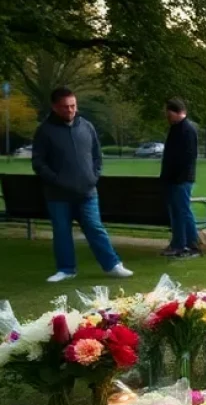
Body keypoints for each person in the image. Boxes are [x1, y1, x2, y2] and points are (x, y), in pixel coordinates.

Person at [31, 87, 132, 284]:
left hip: (87, 191)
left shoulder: (86, 126)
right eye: (65, 107)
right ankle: (66, 269)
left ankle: (112, 265)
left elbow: (97, 156)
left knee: (95, 227)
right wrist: (56, 179)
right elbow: (38, 163)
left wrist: (93, 177)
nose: (70, 110)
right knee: (61, 231)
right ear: (54, 107)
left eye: (73, 106)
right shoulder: (45, 131)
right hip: (57, 194)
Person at [160, 98, 200, 258]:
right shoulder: (177, 128)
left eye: (168, 113)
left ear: (175, 112)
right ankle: (181, 243)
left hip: (181, 179)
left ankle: (188, 244)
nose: (166, 116)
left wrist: (178, 177)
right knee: (177, 212)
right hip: (174, 178)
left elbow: (188, 157)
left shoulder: (187, 130)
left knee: (182, 211)